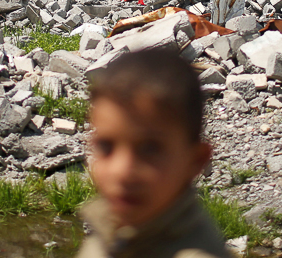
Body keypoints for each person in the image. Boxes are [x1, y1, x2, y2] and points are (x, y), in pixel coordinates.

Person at [76, 50, 230, 257]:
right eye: (106, 146)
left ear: (196, 161)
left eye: (149, 149)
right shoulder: (111, 233)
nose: (122, 171)